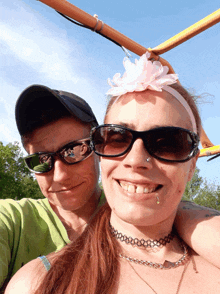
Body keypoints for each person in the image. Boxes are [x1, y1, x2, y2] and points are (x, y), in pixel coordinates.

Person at [5, 53, 220, 294]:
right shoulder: (36, 278)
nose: (136, 160)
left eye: (168, 143)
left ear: (192, 165)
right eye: (119, 139)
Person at [0, 85, 105, 291]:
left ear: (99, 147)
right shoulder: (14, 221)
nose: (60, 175)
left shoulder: (128, 217)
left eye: (73, 151)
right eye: (41, 160)